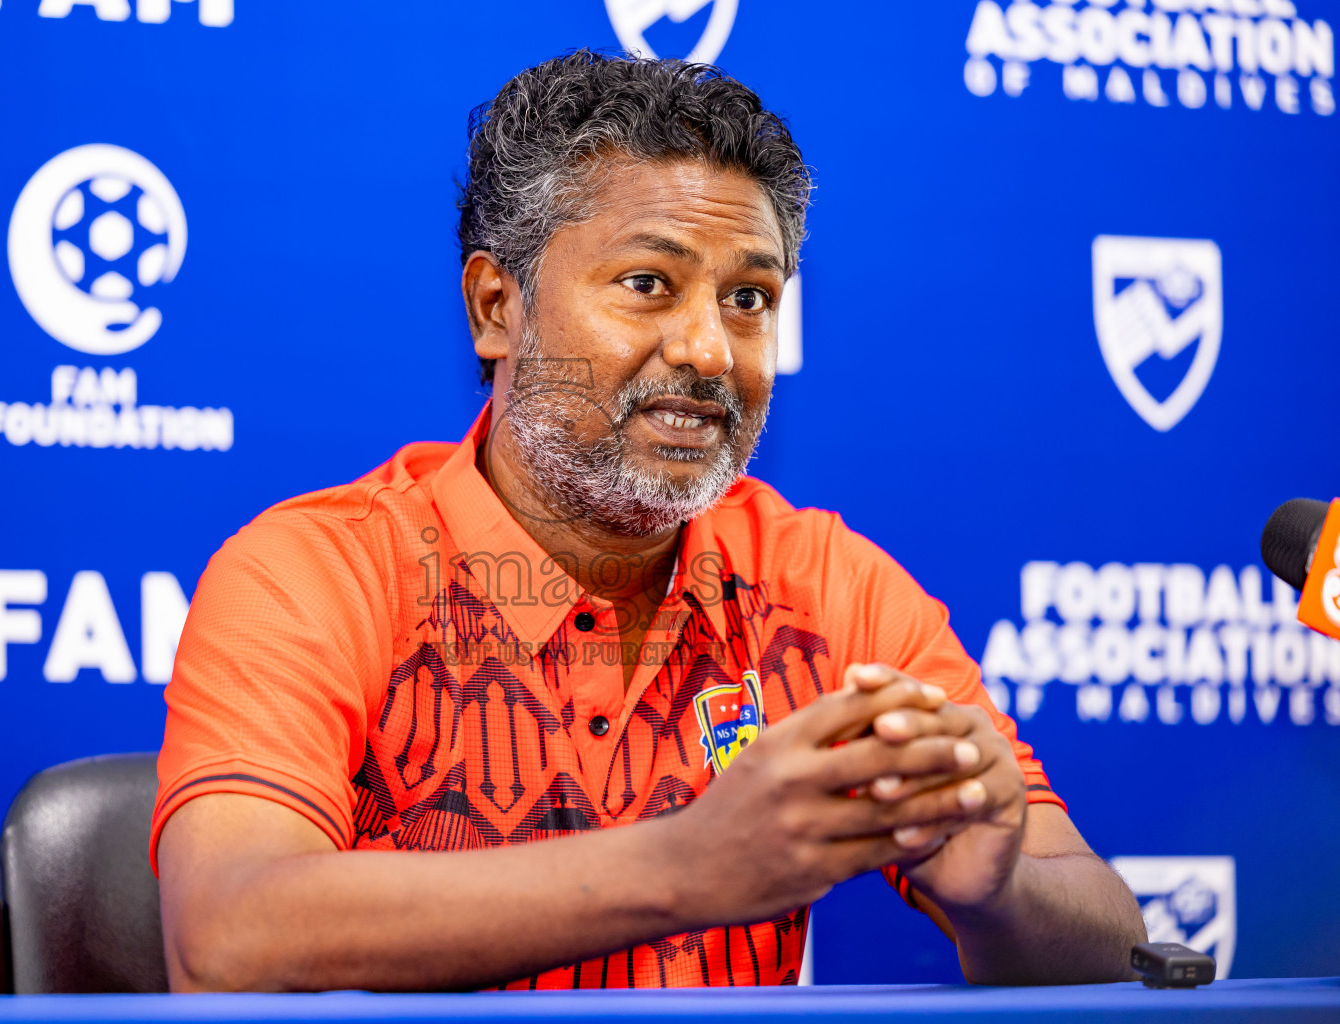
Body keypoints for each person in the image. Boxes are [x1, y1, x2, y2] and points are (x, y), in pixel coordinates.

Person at [152, 51, 1146, 993]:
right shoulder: (317, 571)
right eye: (647, 286)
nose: (710, 349)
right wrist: (688, 865)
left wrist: (1000, 895)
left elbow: (1115, 938)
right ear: (498, 305)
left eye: (750, 298)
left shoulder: (825, 587)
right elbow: (229, 936)